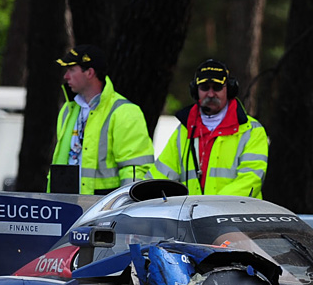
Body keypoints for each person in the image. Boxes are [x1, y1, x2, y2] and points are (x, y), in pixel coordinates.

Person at [150, 59, 268, 197]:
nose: (211, 94)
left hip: (236, 215)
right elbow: (159, 176)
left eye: (217, 87)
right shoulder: (184, 130)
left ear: (229, 89)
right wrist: (138, 196)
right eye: (205, 87)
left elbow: (251, 179)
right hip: (194, 216)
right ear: (196, 90)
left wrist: (212, 207)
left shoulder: (252, 131)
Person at [49, 45, 154, 195]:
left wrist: (126, 207)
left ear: (90, 72)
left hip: (105, 208)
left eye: (71, 70)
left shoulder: (124, 111)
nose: (66, 76)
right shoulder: (68, 109)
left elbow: (135, 169)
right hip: (66, 204)